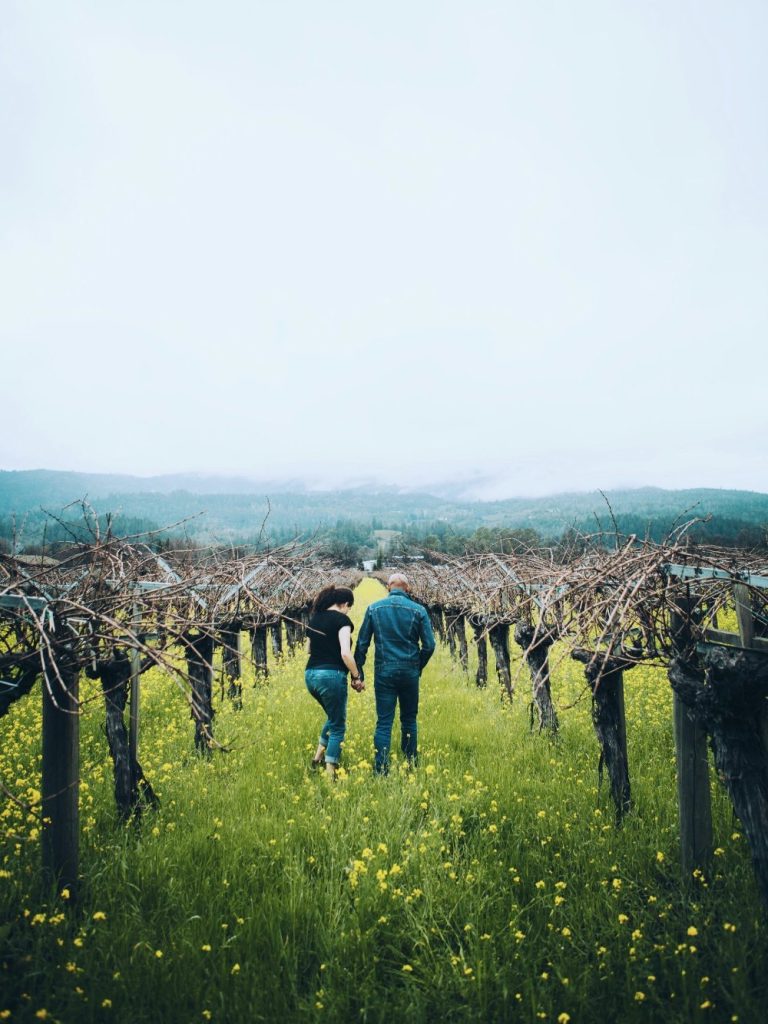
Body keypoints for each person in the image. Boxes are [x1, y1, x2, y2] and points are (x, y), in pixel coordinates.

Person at [353, 572, 436, 775]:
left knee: (384, 722)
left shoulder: (374, 608)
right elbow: (430, 645)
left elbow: (362, 643)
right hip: (409, 671)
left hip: (384, 670)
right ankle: (410, 765)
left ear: (389, 587)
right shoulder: (419, 610)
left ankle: (381, 769)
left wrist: (358, 673)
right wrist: (418, 665)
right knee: (409, 719)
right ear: (407, 588)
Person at [305, 584, 364, 779]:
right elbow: (345, 653)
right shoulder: (342, 620)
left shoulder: (315, 619)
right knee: (338, 725)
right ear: (345, 603)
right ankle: (331, 774)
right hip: (331, 676)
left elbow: (308, 650)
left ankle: (317, 759)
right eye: (349, 607)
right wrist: (356, 676)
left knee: (332, 717)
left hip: (311, 675)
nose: (348, 611)